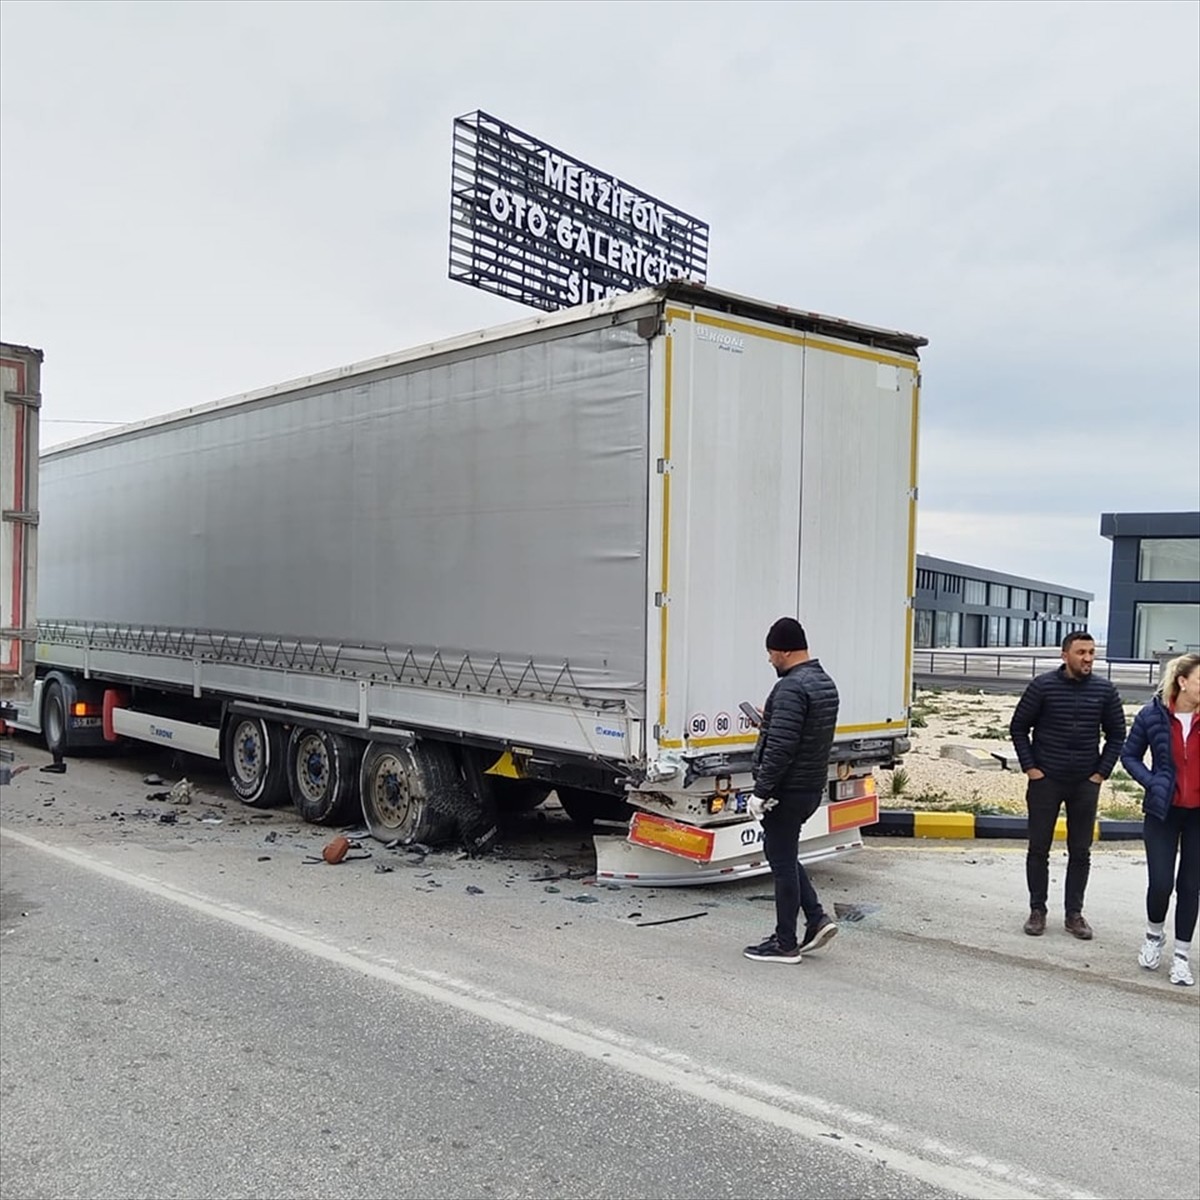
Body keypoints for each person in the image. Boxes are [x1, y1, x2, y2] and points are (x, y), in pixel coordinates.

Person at [1010, 630, 1126, 939]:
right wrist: (1031, 768)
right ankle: (1038, 910)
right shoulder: (1042, 686)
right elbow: (1019, 727)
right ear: (1065, 655)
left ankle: (1074, 914)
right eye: (1081, 652)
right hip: (1046, 780)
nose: (1088, 658)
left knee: (1080, 850)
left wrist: (1100, 773)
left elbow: (1117, 734)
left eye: (1091, 652)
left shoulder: (1105, 690)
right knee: (1038, 848)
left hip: (1085, 783)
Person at [743, 617, 840, 963]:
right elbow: (802, 733)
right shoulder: (823, 682)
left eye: (771, 653)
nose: (770, 660)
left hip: (786, 790)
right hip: (810, 787)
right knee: (783, 853)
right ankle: (816, 919)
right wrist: (770, 719)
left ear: (783, 651)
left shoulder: (790, 688)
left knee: (781, 863)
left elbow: (782, 747)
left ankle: (785, 942)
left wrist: (760, 791)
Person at [1120, 653, 1200, 987]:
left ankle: (1181, 956)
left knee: (1190, 887)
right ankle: (1154, 936)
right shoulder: (1152, 715)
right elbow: (1129, 755)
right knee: (1162, 883)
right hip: (1162, 812)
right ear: (1182, 681)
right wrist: (1153, 782)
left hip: (1198, 816)